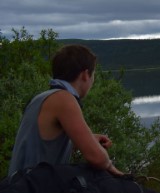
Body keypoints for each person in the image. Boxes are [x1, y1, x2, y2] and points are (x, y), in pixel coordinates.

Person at [8, 44, 124, 177]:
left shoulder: (44, 97)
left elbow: (44, 145)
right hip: (32, 192)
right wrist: (114, 169)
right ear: (85, 75)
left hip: (21, 188)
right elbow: (97, 158)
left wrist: (90, 140)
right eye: (93, 74)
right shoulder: (64, 99)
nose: (93, 80)